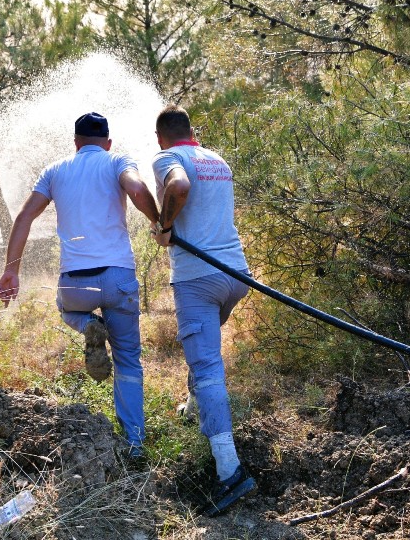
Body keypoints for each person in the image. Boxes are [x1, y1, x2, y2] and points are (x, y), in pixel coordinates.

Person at [0, 111, 160, 456]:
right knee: (128, 359)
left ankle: (87, 325)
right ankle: (134, 442)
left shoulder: (55, 171)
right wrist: (160, 222)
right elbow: (135, 187)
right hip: (118, 278)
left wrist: (12, 269)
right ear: (108, 143)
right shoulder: (117, 161)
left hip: (76, 284)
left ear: (75, 143)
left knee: (64, 308)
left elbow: (25, 217)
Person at [150, 103, 256, 515]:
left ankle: (230, 472)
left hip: (198, 279)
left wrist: (163, 226)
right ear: (191, 131)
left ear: (161, 137)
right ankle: (193, 405)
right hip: (235, 277)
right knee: (204, 348)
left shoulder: (167, 158)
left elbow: (177, 187)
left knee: (209, 367)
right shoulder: (217, 160)